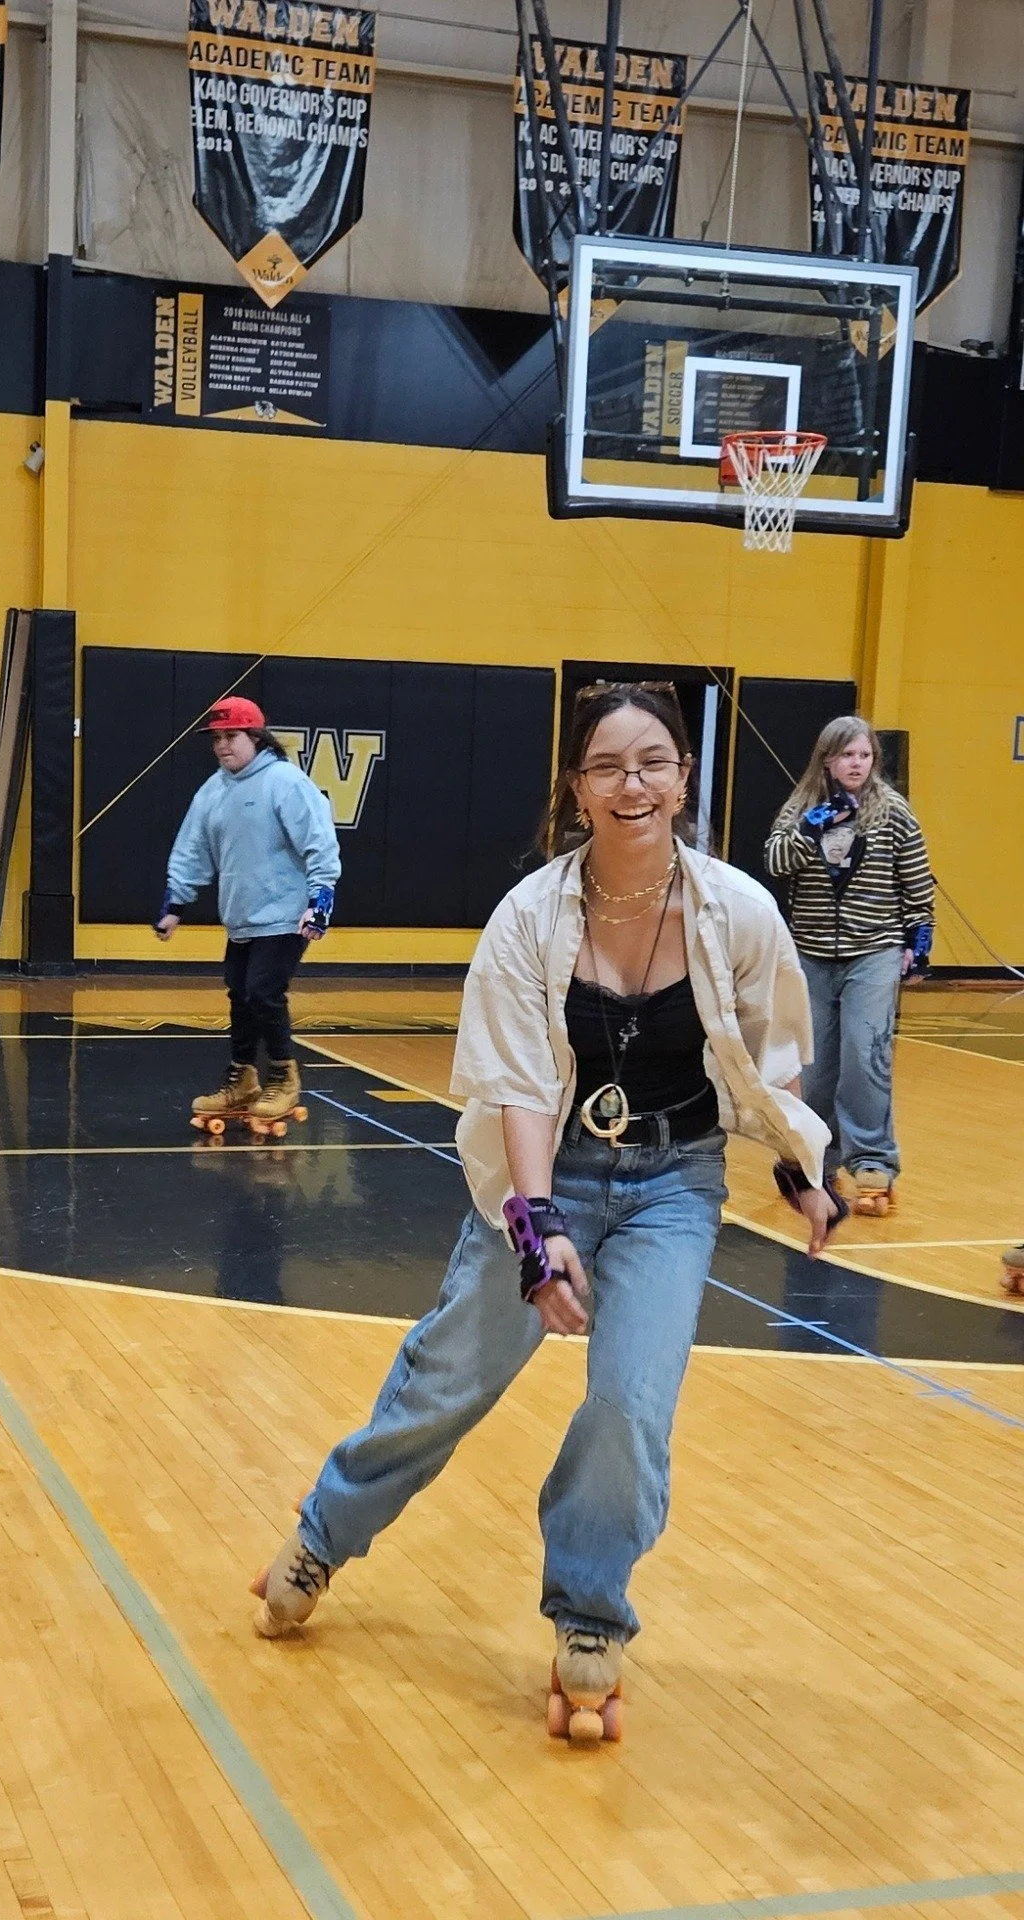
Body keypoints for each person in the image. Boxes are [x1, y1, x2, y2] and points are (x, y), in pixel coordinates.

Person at [249, 683, 839, 1744]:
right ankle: (324, 1532)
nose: (632, 784)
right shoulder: (529, 918)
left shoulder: (738, 911)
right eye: (608, 765)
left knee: (630, 1407)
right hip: (547, 1171)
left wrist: (799, 1171)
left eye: (653, 762)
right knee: (450, 1382)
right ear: (576, 787)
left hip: (673, 1184)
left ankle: (590, 1615)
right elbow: (520, 1087)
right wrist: (537, 1233)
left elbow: (769, 1058)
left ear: (684, 778)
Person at [765, 717, 934, 1217]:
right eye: (846, 755)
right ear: (827, 760)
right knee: (814, 1069)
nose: (856, 764)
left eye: (864, 755)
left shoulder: (893, 811)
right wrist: (814, 825)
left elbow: (918, 881)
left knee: (865, 1058)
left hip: (874, 952)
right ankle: (816, 1161)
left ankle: (874, 1166)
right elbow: (775, 862)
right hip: (812, 954)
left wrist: (919, 944)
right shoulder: (802, 807)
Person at [155, 697, 341, 1128]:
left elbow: (319, 840)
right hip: (241, 916)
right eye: (216, 738)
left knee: (263, 991)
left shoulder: (285, 783)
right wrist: (175, 903)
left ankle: (283, 1077)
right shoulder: (213, 791)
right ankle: (242, 1079)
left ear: (256, 738)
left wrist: (320, 901)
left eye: (232, 736)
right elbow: (192, 848)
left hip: (287, 915)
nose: (222, 745)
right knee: (239, 994)